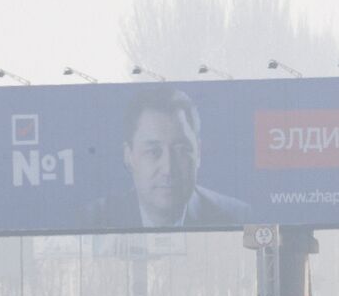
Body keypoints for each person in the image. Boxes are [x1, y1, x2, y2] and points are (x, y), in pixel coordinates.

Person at [85, 88, 250, 229]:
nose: (168, 169)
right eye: (153, 151)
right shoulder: (95, 219)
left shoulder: (237, 217)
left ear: (198, 153)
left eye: (181, 150)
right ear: (129, 156)